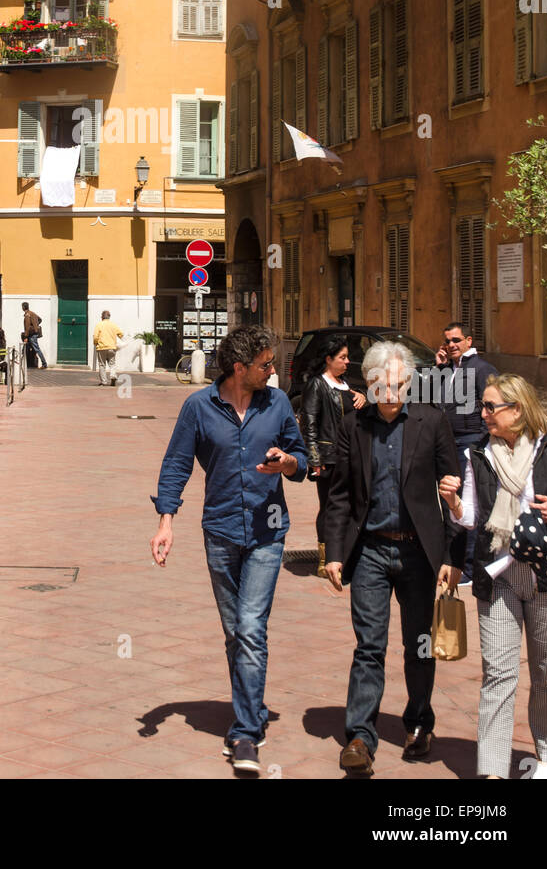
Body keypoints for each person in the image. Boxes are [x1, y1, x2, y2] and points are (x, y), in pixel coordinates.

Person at [150, 325, 307, 774]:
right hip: (220, 530)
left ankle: (245, 733)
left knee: (252, 627)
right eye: (265, 364)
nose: (272, 370)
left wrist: (288, 462)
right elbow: (177, 463)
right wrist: (166, 522)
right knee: (236, 632)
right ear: (240, 368)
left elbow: (302, 461)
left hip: (267, 531)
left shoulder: (277, 403)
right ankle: (251, 709)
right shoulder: (199, 407)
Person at [324, 340, 465, 774]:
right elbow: (340, 494)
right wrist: (334, 552)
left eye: (400, 384)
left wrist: (451, 554)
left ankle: (419, 723)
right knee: (370, 646)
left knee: (419, 644)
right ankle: (359, 737)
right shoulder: (353, 425)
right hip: (369, 550)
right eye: (383, 385)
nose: (392, 392)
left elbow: (454, 491)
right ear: (369, 383)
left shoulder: (432, 421)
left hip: (419, 552)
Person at [439, 373, 547, 780]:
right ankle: (492, 769)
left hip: (545, 575)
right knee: (499, 674)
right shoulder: (479, 455)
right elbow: (472, 517)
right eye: (482, 406)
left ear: (517, 410)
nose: (483, 414)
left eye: (491, 406)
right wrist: (453, 502)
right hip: (498, 574)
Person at [427, 322, 497, 583]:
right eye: (447, 341)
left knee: (467, 503)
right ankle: (451, 560)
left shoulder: (482, 369)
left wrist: (481, 442)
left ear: (468, 341)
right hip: (446, 443)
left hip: (469, 443)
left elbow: (492, 406)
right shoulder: (448, 369)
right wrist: (439, 368)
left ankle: (467, 566)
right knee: (449, 500)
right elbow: (431, 398)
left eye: (456, 340)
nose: (451, 345)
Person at [301, 335, 366, 578]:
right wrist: (314, 459)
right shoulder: (317, 384)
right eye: (342, 357)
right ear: (328, 359)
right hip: (329, 457)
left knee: (351, 505)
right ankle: (324, 558)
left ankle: (345, 554)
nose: (347, 362)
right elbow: (309, 424)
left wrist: (362, 397)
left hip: (350, 455)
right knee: (329, 507)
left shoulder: (345, 383)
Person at [93, 310, 123, 385]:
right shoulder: (113, 325)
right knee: (112, 364)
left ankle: (104, 381)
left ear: (102, 317)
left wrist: (95, 343)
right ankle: (113, 376)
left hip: (101, 347)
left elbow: (95, 337)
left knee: (102, 365)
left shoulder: (99, 325)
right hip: (112, 347)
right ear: (109, 316)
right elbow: (121, 334)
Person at [22, 302, 47, 369]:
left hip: (31, 335)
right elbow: (40, 319)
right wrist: (35, 325)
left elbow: (27, 327)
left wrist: (26, 337)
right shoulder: (32, 313)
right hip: (34, 334)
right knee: (29, 348)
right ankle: (28, 364)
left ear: (23, 307)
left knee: (36, 349)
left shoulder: (27, 315)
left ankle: (44, 363)